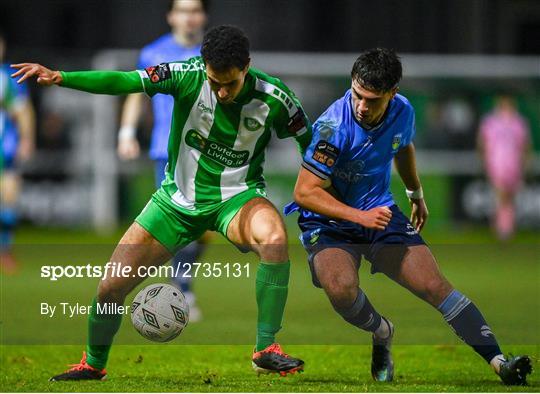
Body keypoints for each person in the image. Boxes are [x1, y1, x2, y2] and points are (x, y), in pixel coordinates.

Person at [13, 25, 309, 380]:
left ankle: (265, 348)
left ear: (247, 66)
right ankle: (93, 364)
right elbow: (124, 82)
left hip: (237, 198)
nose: (222, 91)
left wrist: (313, 192)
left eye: (230, 83)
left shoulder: (276, 97)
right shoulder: (186, 74)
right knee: (110, 286)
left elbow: (309, 142)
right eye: (216, 82)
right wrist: (62, 77)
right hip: (175, 203)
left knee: (275, 239)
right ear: (204, 65)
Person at [286, 48, 532, 385]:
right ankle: (382, 330)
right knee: (341, 289)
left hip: (378, 212)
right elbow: (304, 192)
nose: (361, 105)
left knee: (434, 285)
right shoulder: (333, 128)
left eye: (372, 100)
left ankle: (500, 362)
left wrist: (416, 194)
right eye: (357, 95)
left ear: (392, 93)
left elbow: (402, 147)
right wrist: (359, 216)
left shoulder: (402, 111)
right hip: (329, 221)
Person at [118, 0, 208, 321]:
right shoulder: (154, 53)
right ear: (171, 16)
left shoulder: (213, 53)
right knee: (176, 223)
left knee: (203, 227)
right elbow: (137, 92)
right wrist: (127, 132)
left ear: (203, 16)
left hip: (210, 152)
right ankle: (180, 287)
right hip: (167, 151)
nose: (189, 17)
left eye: (195, 10)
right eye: (183, 10)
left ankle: (181, 283)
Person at [0, 31, 36, 274]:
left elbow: (23, 111)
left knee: (8, 200)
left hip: (4, 148)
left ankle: (4, 251)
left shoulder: (7, 78)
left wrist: (26, 139)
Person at [477, 94, 531, 241]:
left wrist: (525, 163)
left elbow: (525, 145)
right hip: (498, 163)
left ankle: (505, 228)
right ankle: (502, 230)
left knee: (509, 197)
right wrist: (485, 160)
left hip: (512, 163)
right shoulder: (491, 122)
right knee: (501, 196)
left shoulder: (518, 122)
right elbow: (482, 143)